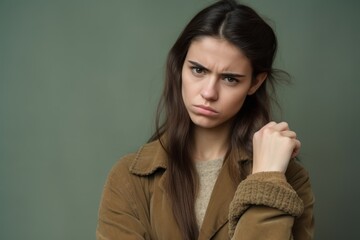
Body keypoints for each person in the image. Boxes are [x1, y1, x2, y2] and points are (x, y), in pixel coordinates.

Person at [96, 0, 315, 239]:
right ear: (180, 67)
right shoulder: (130, 179)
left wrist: (267, 181)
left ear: (255, 83)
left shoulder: (288, 177)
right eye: (198, 70)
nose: (209, 92)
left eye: (230, 78)